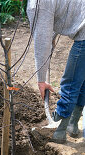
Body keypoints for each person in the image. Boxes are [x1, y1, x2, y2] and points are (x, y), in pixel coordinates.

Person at [27, 0, 85, 143]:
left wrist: (41, 80)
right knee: (81, 80)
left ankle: (58, 131)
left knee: (70, 82)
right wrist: (52, 36)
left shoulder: (36, 4)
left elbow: (42, 43)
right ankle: (72, 125)